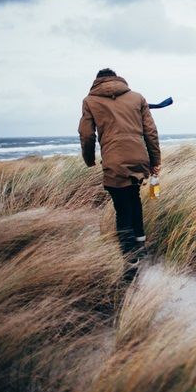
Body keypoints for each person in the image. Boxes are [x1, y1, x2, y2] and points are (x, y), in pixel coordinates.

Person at [78, 68, 161, 280]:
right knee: (134, 200)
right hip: (138, 159)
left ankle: (130, 259)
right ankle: (140, 247)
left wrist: (89, 159)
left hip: (114, 162)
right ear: (117, 78)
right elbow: (150, 132)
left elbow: (86, 135)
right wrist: (155, 162)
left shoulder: (90, 101)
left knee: (122, 208)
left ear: (97, 81)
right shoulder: (137, 97)